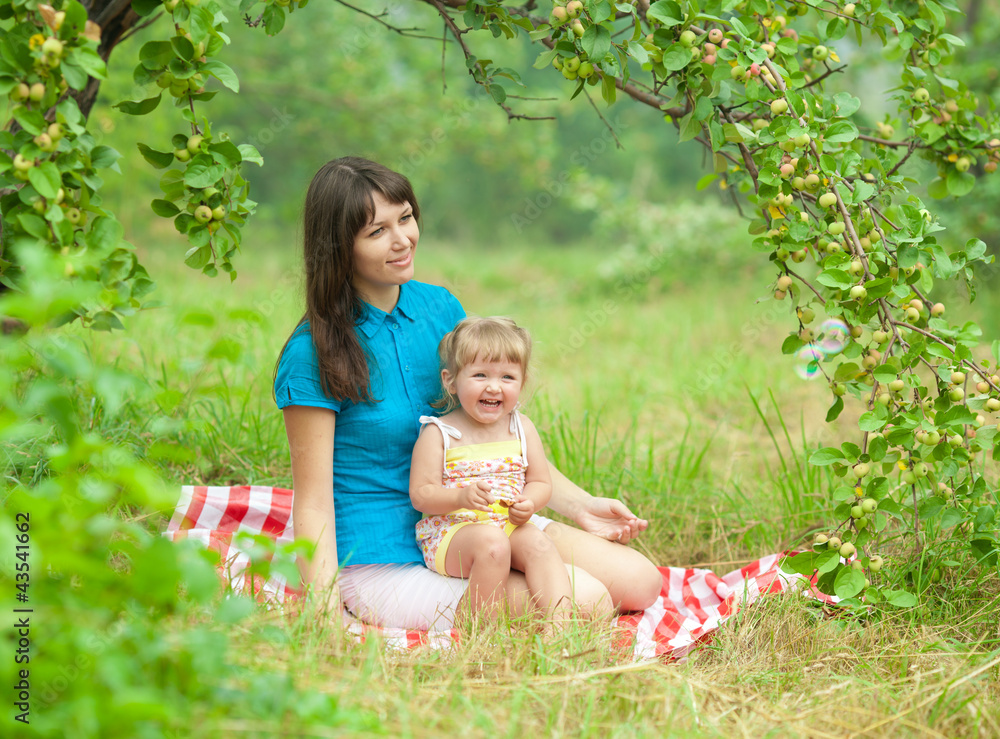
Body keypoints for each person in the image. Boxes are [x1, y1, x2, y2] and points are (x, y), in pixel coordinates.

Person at [274, 156, 660, 631]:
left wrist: (580, 507)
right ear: (338, 246)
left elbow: (487, 436)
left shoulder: (440, 307)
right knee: (589, 602)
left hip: (481, 520)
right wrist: (325, 610)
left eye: (406, 218)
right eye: (377, 232)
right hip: (386, 556)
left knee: (642, 582)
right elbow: (311, 501)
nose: (402, 241)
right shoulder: (313, 351)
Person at [410, 316, 572, 626]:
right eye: (480, 374)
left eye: (507, 377)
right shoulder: (439, 433)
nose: (494, 387)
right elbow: (421, 495)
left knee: (539, 543)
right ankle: (480, 630)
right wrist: (460, 496)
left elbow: (539, 481)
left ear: (521, 383)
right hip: (452, 533)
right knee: (492, 545)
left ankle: (561, 628)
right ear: (451, 381)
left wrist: (530, 502)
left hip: (506, 522)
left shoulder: (521, 428)